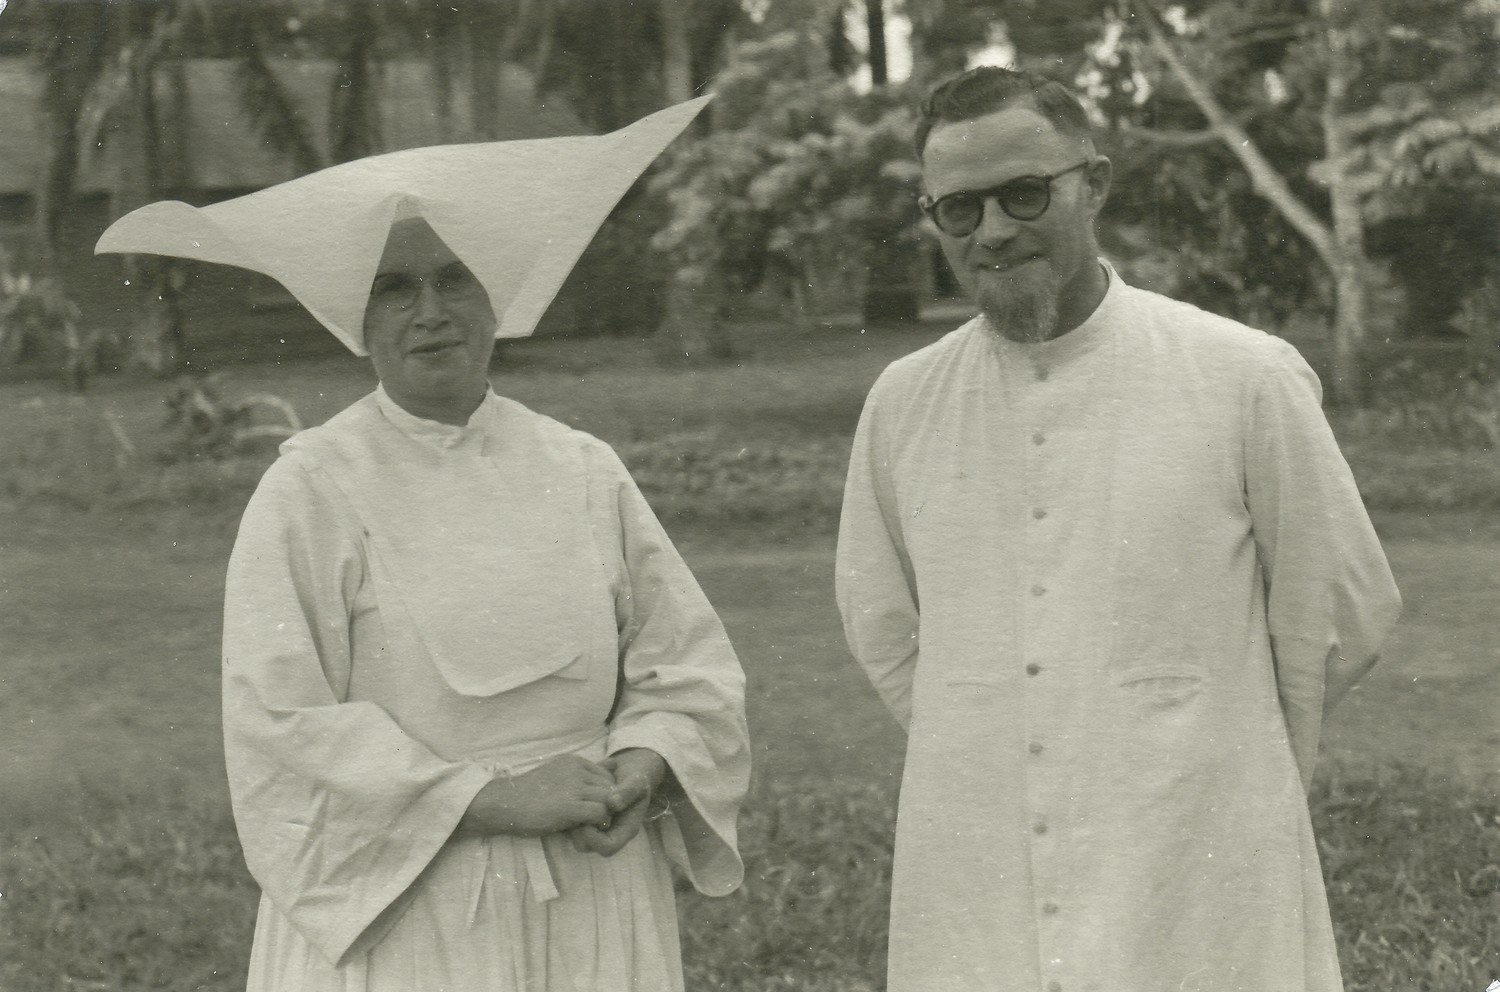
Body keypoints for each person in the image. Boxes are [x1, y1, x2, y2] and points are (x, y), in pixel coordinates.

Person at [98, 99, 750, 992]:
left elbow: (685, 664)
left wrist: (642, 766)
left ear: (496, 295)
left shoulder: (582, 467)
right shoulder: (311, 487)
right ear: (356, 317)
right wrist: (485, 799)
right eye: (395, 288)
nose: (431, 312)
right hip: (416, 904)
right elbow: (280, 723)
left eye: (456, 279)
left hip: (593, 878)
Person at [835, 66, 1401, 992]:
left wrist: (1218, 747)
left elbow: (1342, 610)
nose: (993, 231)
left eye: (1024, 193)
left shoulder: (1243, 376)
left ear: (1094, 184)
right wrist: (999, 733)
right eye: (960, 210)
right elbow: (882, 625)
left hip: (1198, 848)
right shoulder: (903, 403)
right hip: (981, 847)